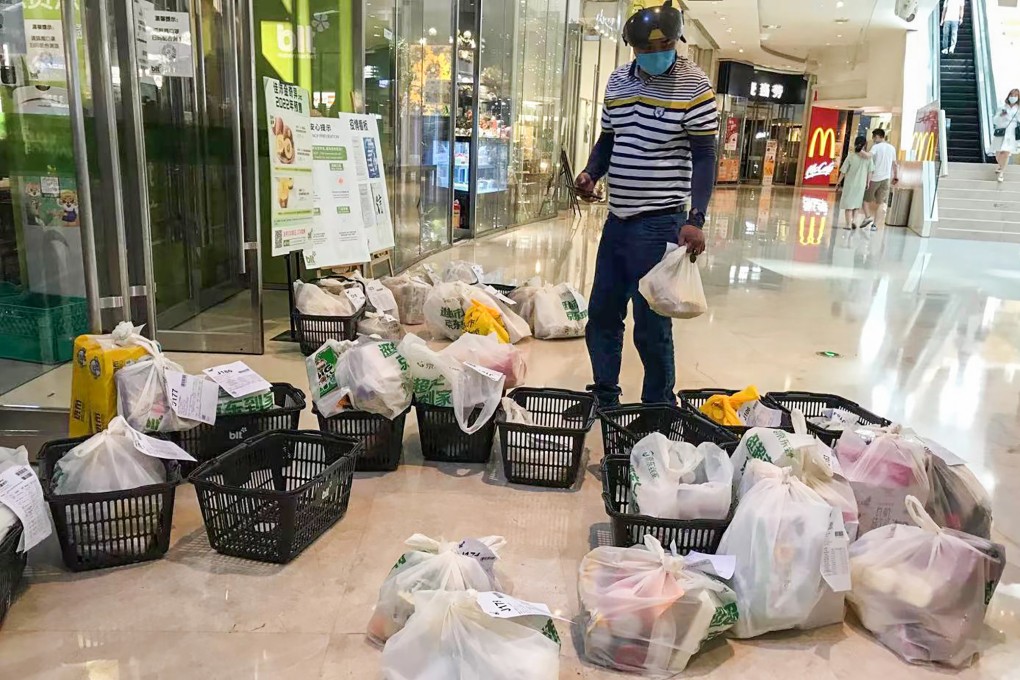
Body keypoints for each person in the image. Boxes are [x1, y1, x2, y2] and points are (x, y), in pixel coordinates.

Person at [574, 0, 717, 407]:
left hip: (660, 224)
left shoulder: (695, 86)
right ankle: (605, 394)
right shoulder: (618, 82)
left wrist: (696, 218)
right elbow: (610, 139)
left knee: (652, 324)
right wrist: (591, 173)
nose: (656, 55)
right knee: (602, 315)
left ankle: (657, 406)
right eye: (645, 50)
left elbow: (705, 156)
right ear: (631, 48)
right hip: (617, 221)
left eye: (665, 46)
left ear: (677, 41)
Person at [861, 129, 897, 230]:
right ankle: (875, 225)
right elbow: (895, 164)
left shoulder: (876, 147)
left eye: (873, 137)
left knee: (865, 200)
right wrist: (896, 176)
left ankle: (868, 217)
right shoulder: (892, 148)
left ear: (877, 136)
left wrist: (859, 150)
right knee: (881, 203)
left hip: (874, 178)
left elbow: (869, 156)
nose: (873, 139)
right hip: (886, 178)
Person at [838, 136, 873, 229]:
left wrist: (838, 182)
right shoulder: (868, 157)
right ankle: (854, 221)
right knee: (857, 204)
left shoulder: (851, 155)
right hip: (861, 184)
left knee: (848, 205)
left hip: (850, 184)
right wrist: (868, 182)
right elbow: (870, 171)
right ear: (865, 144)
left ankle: (848, 224)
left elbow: (843, 171)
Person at [993, 88, 1020, 182]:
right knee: (998, 154)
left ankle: (1001, 173)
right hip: (1001, 131)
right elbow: (995, 120)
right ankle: (1001, 166)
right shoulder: (1002, 107)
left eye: (1015, 96)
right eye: (1012, 95)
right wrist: (1001, 115)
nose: (1013, 98)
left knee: (1006, 152)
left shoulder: (1018, 109)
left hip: (1012, 133)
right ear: (1009, 96)